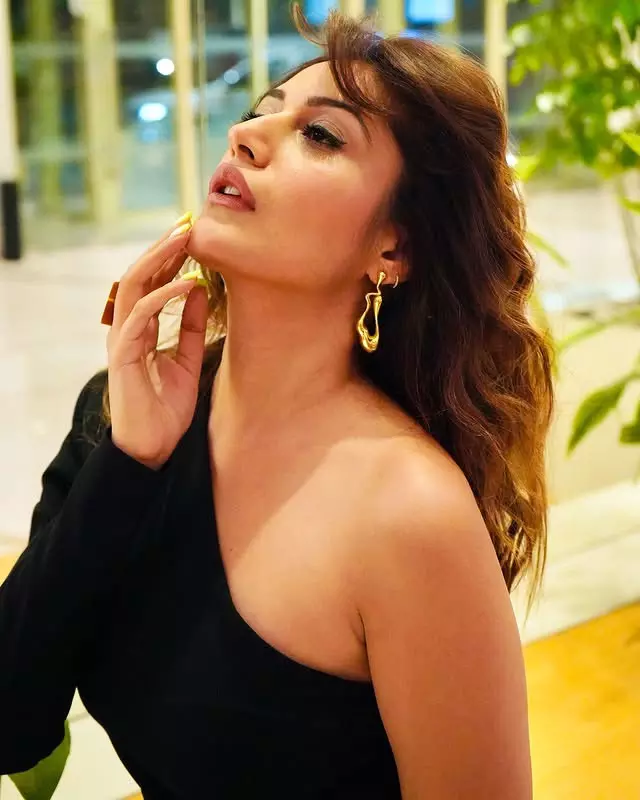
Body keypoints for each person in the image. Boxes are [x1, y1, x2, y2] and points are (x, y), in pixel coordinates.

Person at [0, 7, 554, 799]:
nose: (246, 136)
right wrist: (128, 463)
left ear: (393, 247)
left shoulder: (409, 514)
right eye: (261, 112)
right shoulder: (122, 414)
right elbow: (12, 720)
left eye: (321, 135)